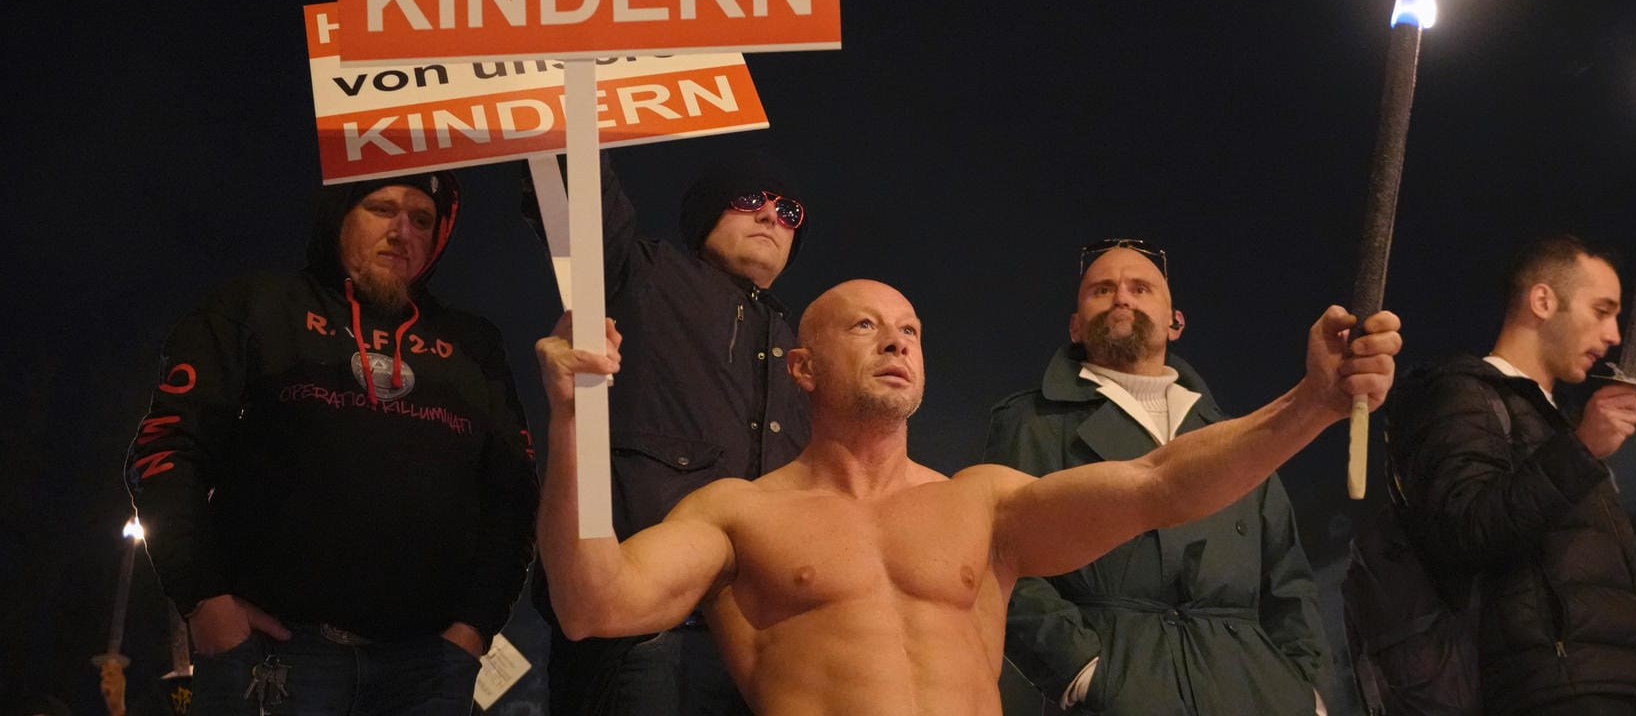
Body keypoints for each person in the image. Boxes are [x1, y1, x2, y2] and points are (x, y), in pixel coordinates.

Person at [536, 278, 1399, 716]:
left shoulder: (981, 505)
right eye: (865, 326)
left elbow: (1159, 483)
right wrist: (571, 415)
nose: (897, 342)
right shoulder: (737, 512)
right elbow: (592, 602)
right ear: (802, 367)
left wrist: (1312, 402)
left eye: (910, 330)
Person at [127, 173, 537, 716]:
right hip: (271, 657)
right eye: (380, 208)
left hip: (426, 670)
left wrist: (473, 630)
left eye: (421, 219)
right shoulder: (256, 306)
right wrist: (203, 599)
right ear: (339, 214)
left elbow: (513, 496)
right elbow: (167, 446)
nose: (401, 231)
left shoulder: (474, 346)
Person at [983, 240, 1330, 714]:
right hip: (1120, 686)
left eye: (1140, 288)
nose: (1121, 298)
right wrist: (1083, 673)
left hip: (1253, 691)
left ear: (1176, 323)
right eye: (1101, 290)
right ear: (1075, 324)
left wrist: (1303, 690)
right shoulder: (1031, 423)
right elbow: (1001, 558)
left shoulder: (1231, 434)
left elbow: (1288, 579)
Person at [532, 153, 813, 716]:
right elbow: (576, 199)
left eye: (788, 212)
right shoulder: (639, 274)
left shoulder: (800, 350)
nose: (770, 218)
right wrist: (562, 101)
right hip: (644, 635)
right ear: (707, 213)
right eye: (749, 200)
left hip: (766, 650)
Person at [1388, 236, 1636, 716]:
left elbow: (1588, 578)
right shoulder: (1461, 394)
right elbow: (1466, 530)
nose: (1614, 335)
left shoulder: (1558, 421)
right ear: (1543, 301)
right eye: (1602, 311)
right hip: (1554, 693)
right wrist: (1581, 450)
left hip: (1618, 690)